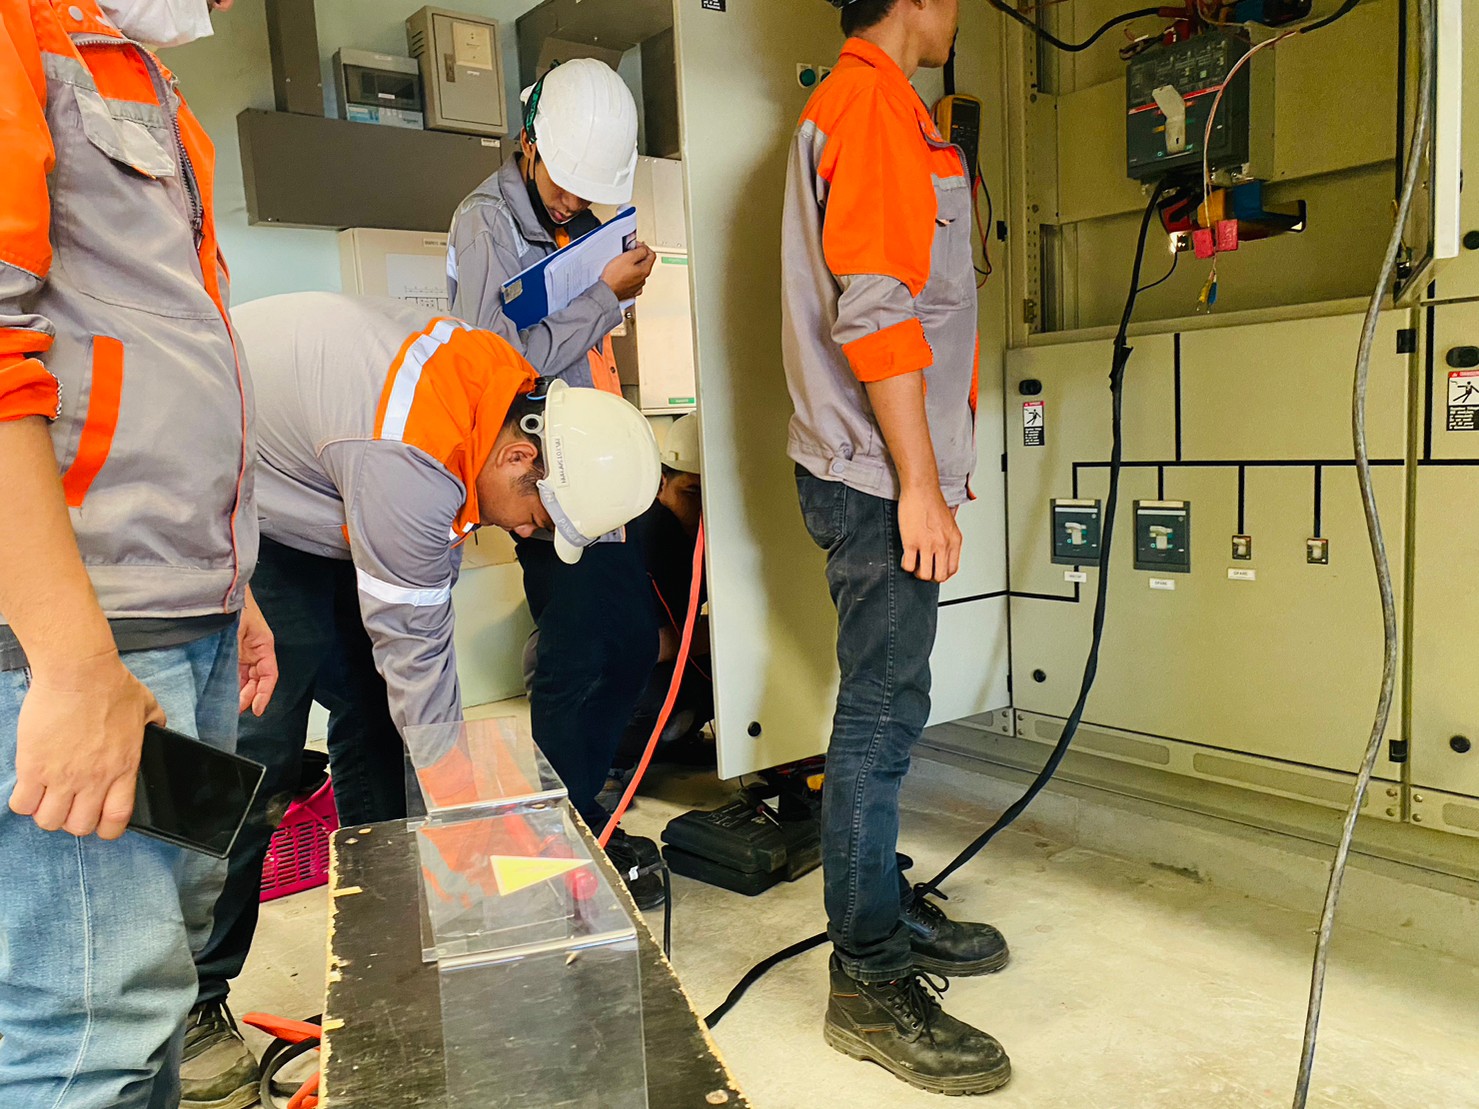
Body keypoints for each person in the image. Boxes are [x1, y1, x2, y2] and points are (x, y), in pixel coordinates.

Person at [181, 291, 661, 1102]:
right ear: (520, 457)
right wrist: (473, 815)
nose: (527, 531)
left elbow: (413, 655)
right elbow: (417, 650)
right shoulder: (411, 454)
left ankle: (391, 951)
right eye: (538, 515)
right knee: (255, 749)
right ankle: (192, 997)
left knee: (380, 721)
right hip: (231, 493)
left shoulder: (492, 402)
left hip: (324, 489)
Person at [0, 2, 277, 1107]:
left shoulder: (138, 73)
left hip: (179, 605)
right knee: (87, 1031)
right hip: (83, 628)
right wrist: (72, 666)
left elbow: (169, 355)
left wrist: (232, 583)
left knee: (154, 984)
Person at [781, 0, 1013, 1095]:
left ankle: (879, 907)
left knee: (890, 707)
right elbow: (877, 312)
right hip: (878, 476)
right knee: (878, 718)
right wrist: (921, 484)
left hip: (871, 468)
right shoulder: (870, 107)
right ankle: (866, 978)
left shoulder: (869, 106)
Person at [447, 57, 669, 908]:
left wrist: (612, 292)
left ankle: (578, 810)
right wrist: (604, 297)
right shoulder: (486, 223)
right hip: (543, 478)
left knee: (629, 643)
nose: (574, 200)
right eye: (564, 182)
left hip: (599, 471)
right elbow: (492, 365)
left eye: (588, 190)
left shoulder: (579, 226)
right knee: (578, 655)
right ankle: (559, 841)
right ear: (528, 144)